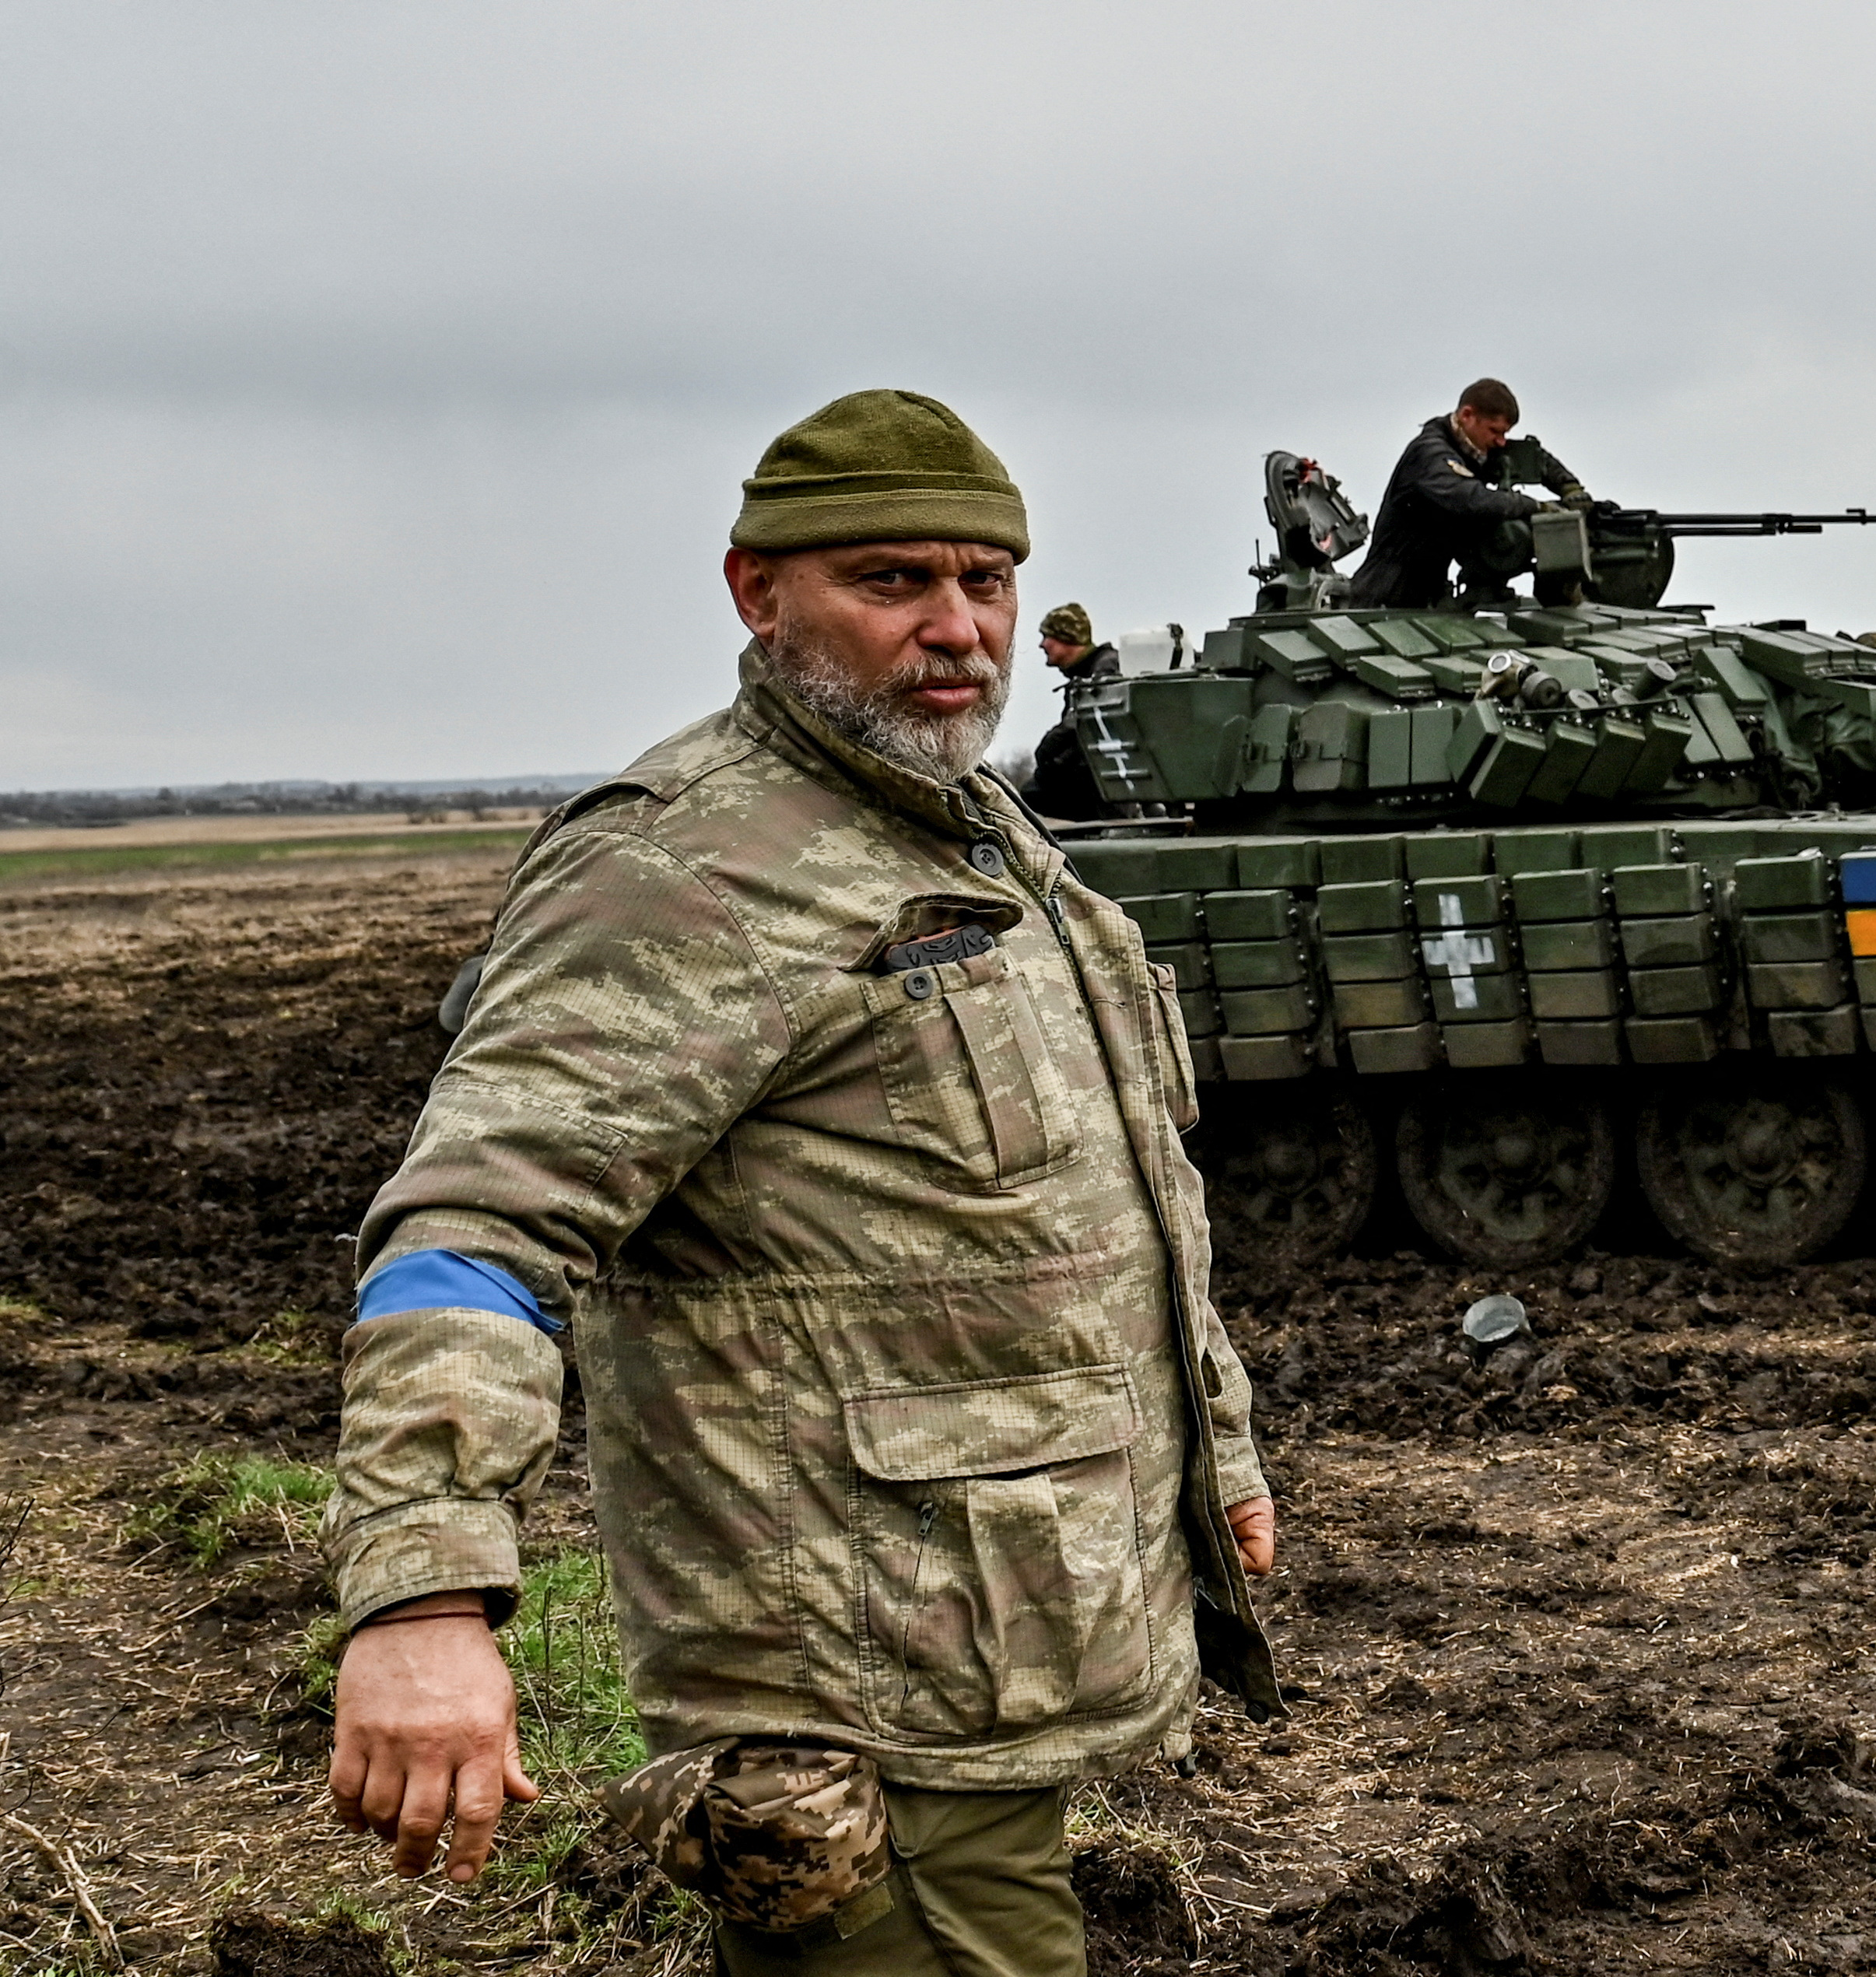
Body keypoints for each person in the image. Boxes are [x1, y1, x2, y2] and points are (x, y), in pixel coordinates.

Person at [321, 388, 1278, 1975]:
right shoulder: (686, 868)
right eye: (893, 581)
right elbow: (479, 1226)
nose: (956, 627)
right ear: (756, 593)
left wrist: (1212, 1448)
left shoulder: (975, 838)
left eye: (984, 581)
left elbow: (1082, 1206)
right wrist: (423, 1592)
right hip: (842, 1676)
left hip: (984, 1643)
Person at [1345, 377, 1589, 608]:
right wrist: (1536, 507)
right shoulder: (1431, 454)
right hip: (1386, 593)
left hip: (1431, 591)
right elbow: (1471, 500)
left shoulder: (1474, 448)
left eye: (1505, 433)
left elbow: (1533, 460)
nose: (1501, 441)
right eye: (1495, 431)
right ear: (1467, 416)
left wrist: (1570, 490)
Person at [1026, 601, 1120, 821]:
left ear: (1066, 637)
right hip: (1097, 774)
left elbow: (1090, 719)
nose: (1042, 645)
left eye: (1047, 636)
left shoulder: (1106, 669)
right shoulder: (1085, 673)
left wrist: (1050, 748)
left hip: (1106, 776)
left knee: (1035, 792)